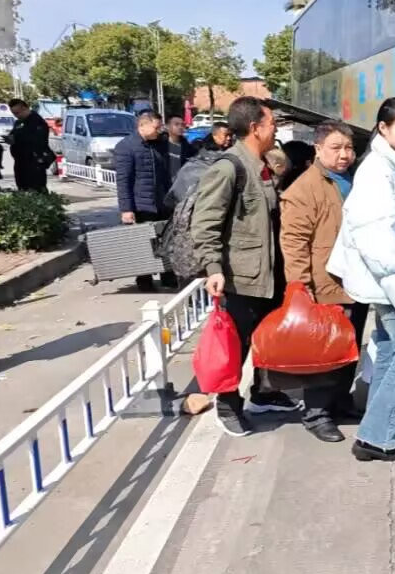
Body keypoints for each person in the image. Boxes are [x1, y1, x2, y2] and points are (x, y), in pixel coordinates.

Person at [326, 97, 395, 462]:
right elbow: (379, 236)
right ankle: (376, 437)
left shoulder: (394, 163)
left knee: (389, 347)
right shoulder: (378, 170)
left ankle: (385, 425)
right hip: (388, 281)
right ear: (383, 128)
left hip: (385, 279)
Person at [192, 96, 302, 437]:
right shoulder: (229, 168)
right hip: (240, 276)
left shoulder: (263, 164)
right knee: (236, 344)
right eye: (271, 123)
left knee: (268, 338)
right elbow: (205, 223)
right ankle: (227, 405)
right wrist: (213, 267)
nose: (275, 129)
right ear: (255, 127)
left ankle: (265, 392)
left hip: (269, 271)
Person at [279, 121, 371, 443]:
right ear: (318, 149)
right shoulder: (305, 189)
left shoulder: (353, 179)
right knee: (323, 353)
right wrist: (301, 288)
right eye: (336, 148)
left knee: (349, 348)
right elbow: (294, 243)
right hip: (325, 285)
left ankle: (341, 402)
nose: (344, 154)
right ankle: (316, 414)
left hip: (355, 280)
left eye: (348, 148)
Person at [114, 110, 178, 291]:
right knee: (142, 245)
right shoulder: (126, 147)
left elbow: (166, 174)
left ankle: (168, 276)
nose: (159, 131)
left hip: (161, 202)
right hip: (141, 204)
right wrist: (126, 209)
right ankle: (144, 280)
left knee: (166, 240)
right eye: (156, 128)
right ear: (143, 125)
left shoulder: (160, 145)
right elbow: (123, 181)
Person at [6, 99, 53, 193]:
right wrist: (10, 139)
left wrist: (17, 140)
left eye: (17, 113)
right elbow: (14, 134)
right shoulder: (18, 122)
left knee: (36, 190)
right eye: (13, 113)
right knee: (22, 189)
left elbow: (38, 141)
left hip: (33, 162)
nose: (16, 116)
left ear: (24, 108)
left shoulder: (36, 121)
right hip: (20, 161)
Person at [165, 114, 197, 180]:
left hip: (180, 182)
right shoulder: (160, 144)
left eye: (182, 125)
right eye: (176, 124)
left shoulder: (187, 146)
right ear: (167, 126)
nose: (180, 127)